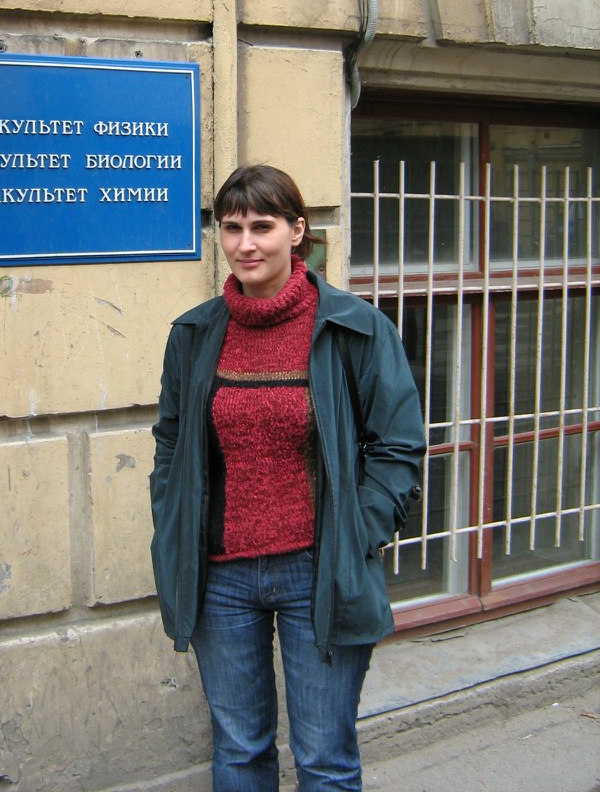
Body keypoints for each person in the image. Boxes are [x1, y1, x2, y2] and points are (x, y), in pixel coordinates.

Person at [150, 164, 426, 792]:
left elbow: (398, 445)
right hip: (220, 576)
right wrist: (171, 520)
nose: (245, 244)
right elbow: (171, 442)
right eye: (232, 228)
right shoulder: (194, 334)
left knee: (324, 757)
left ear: (297, 231)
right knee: (239, 750)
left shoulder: (354, 328)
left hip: (319, 570)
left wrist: (359, 532)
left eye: (262, 226)